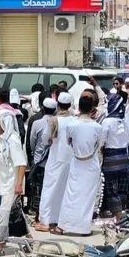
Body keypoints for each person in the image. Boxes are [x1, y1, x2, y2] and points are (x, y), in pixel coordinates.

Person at [55, 97, 104, 236]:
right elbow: (99, 145)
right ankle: (83, 228)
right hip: (90, 164)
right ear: (92, 109)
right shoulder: (98, 127)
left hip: (77, 162)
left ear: (79, 108)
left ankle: (63, 226)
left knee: (70, 195)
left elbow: (68, 142)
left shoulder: (72, 125)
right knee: (87, 198)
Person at [0, 109, 28, 257]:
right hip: (2, 183)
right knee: (13, 213)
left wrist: (19, 184)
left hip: (11, 184)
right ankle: (28, 240)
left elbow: (21, 164)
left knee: (4, 214)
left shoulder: (13, 140)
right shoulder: (3, 140)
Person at [36, 92, 74, 232]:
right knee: (64, 190)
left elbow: (46, 139)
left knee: (49, 188)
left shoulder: (54, 120)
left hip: (55, 158)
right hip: (70, 159)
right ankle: (59, 220)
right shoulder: (74, 120)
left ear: (58, 104)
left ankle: (45, 221)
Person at [100, 92, 129, 219]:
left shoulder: (107, 121)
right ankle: (121, 213)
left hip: (110, 158)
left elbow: (102, 141)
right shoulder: (127, 119)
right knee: (121, 187)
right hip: (124, 157)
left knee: (111, 188)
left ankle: (116, 215)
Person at [27, 96, 56, 224]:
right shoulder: (58, 122)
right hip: (52, 162)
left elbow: (32, 142)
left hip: (39, 161)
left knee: (38, 189)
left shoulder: (37, 123)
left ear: (43, 109)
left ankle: (38, 216)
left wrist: (35, 155)